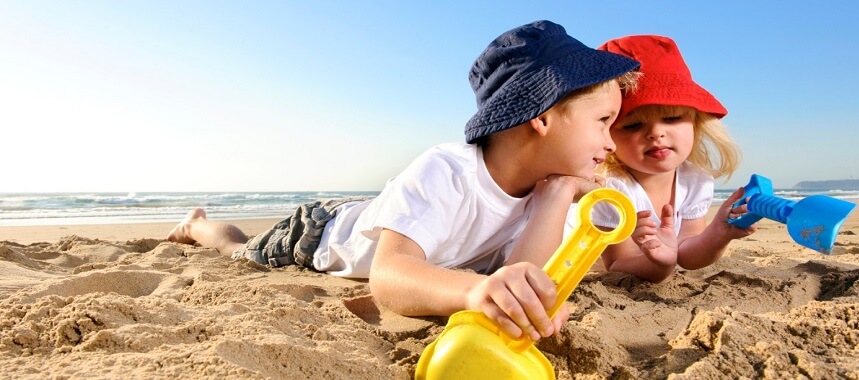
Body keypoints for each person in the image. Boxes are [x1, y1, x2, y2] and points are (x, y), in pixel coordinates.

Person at [167, 20, 640, 342]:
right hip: (320, 233)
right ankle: (197, 225)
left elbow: (520, 276)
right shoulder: (449, 170)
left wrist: (556, 195)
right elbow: (388, 278)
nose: (611, 143)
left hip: (384, 215)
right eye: (603, 121)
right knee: (239, 250)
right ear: (541, 116)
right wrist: (474, 293)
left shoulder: (545, 184)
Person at [586, 35, 756, 283]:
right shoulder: (610, 187)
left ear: (696, 122)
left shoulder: (694, 180)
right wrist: (660, 265)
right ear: (607, 133)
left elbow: (687, 255)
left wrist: (719, 235)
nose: (656, 133)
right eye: (632, 125)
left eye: (672, 118)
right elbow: (617, 264)